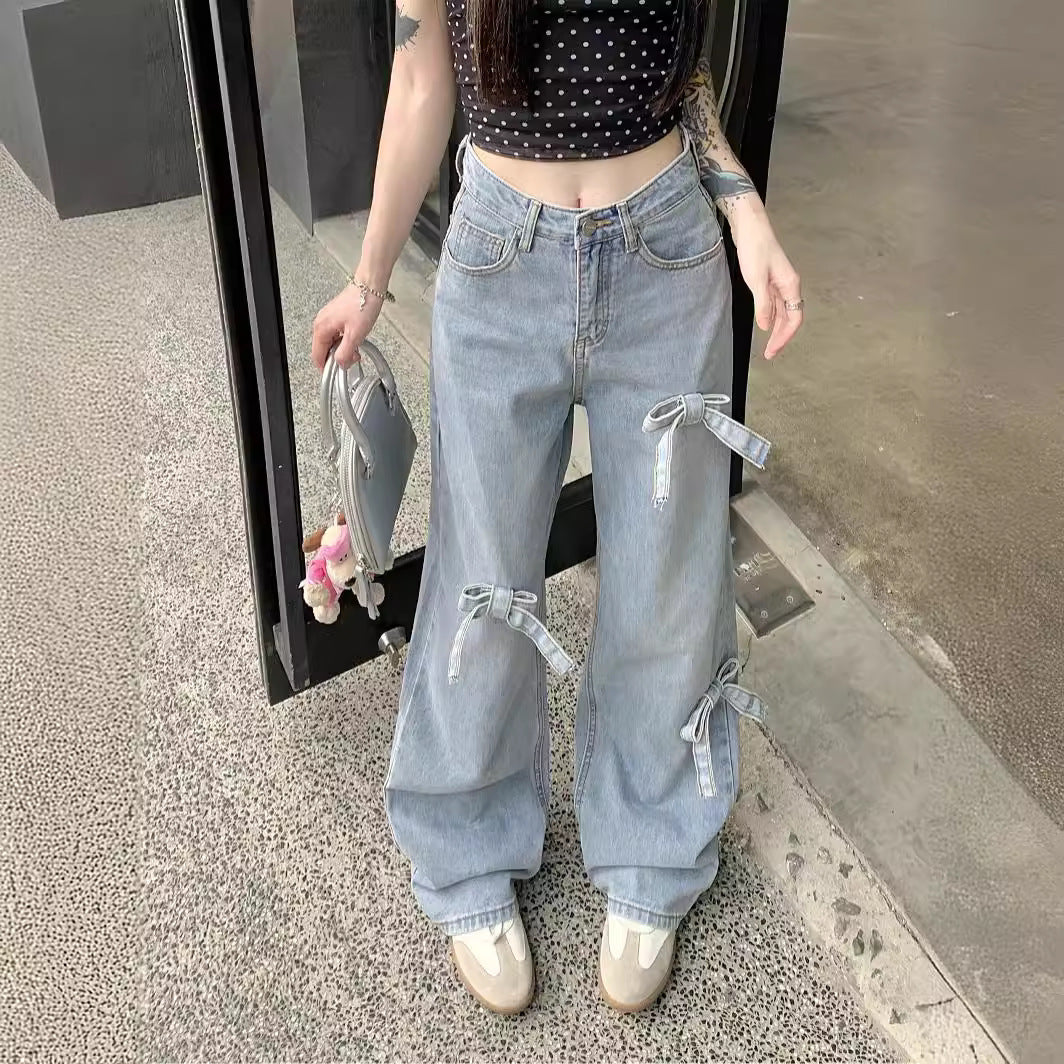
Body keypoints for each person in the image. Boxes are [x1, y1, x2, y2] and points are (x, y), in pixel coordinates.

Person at [311, 0, 802, 1015]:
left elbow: (679, 65)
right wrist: (368, 281)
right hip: (501, 259)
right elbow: (420, 75)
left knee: (667, 578)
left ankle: (654, 845)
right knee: (481, 575)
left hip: (667, 254)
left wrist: (744, 210)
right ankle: (465, 840)